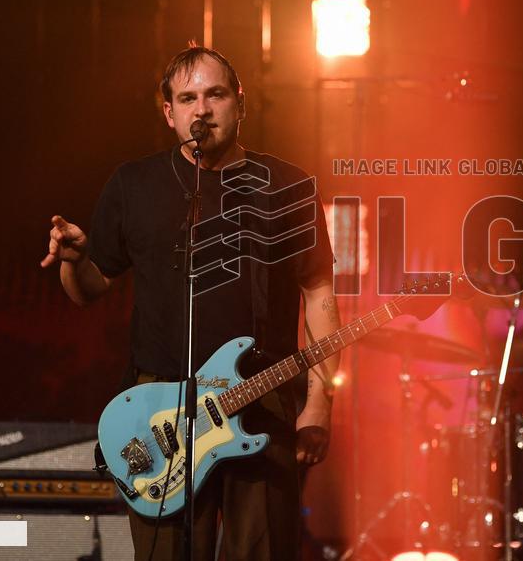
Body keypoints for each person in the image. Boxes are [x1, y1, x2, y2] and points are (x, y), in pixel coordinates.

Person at [40, 44, 340, 560]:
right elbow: (89, 291)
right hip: (159, 409)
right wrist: (74, 260)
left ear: (239, 103)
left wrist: (319, 402)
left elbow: (319, 295)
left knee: (261, 551)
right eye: (187, 98)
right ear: (170, 113)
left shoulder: (289, 188)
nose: (201, 109)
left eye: (215, 94)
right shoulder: (133, 184)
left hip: (260, 402)